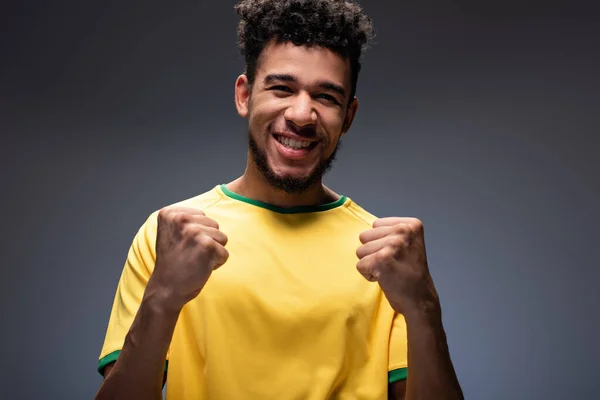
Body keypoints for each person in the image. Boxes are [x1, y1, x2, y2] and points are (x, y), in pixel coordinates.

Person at [95, 1, 463, 399]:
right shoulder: (170, 235)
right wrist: (163, 296)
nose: (302, 114)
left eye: (326, 96)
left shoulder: (385, 256)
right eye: (282, 88)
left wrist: (424, 307)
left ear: (349, 116)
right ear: (244, 95)